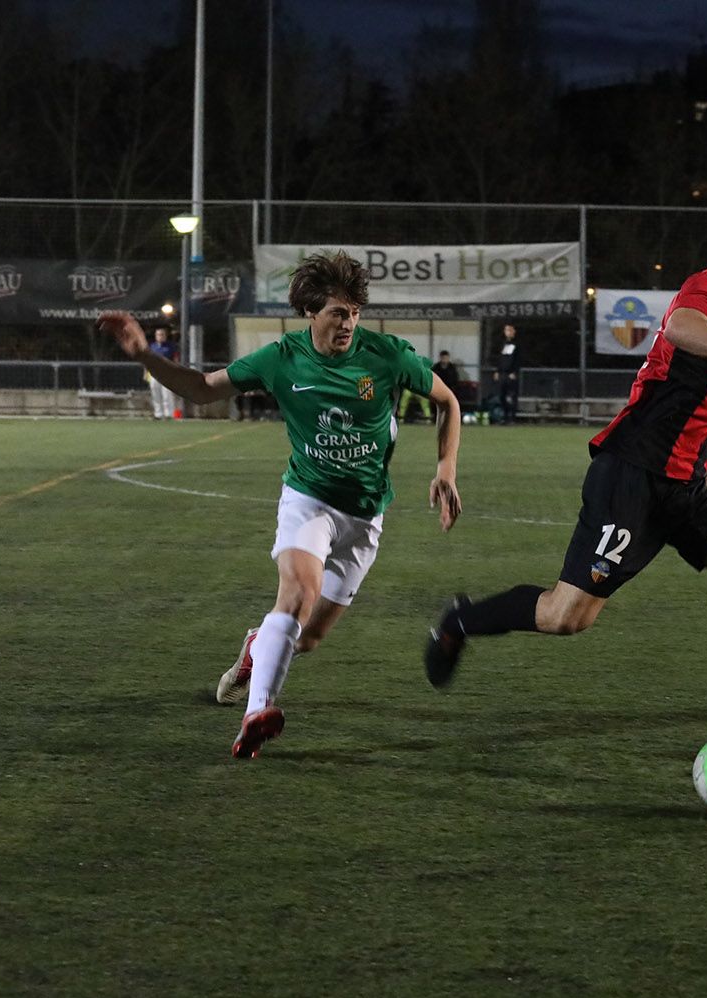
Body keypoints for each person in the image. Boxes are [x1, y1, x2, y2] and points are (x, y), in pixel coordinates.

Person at [423, 203, 707, 776]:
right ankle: (461, 620)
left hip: (684, 485)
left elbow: (678, 377)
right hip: (632, 479)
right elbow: (680, 328)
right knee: (565, 615)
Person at [97, 251, 464, 759]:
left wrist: (446, 467)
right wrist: (143, 354)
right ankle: (258, 710)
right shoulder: (281, 359)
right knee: (297, 594)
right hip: (308, 499)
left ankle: (257, 646)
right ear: (311, 311)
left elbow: (449, 401)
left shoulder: (387, 356)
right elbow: (202, 390)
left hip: (365, 515)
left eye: (356, 312)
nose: (349, 323)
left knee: (307, 637)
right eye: (338, 312)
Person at [147, 326, 179, 420]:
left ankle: (168, 414)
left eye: (162, 335)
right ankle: (158, 414)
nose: (160, 336)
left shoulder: (170, 346)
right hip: (154, 372)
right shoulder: (152, 346)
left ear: (165, 336)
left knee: (167, 393)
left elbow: (175, 359)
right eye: (158, 335)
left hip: (167, 372)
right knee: (155, 392)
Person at [493, 323, 521, 424]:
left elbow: (518, 360)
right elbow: (499, 359)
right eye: (506, 330)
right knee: (501, 396)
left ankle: (512, 417)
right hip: (502, 374)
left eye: (510, 330)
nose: (508, 332)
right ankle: (504, 416)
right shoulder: (502, 344)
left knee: (512, 397)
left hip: (511, 374)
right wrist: (497, 371)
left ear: (514, 331)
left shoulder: (517, 344)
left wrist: (514, 372)